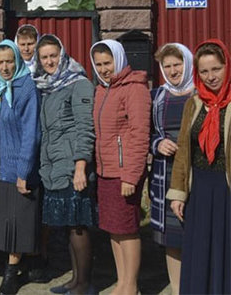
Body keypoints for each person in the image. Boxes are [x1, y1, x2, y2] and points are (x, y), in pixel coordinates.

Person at [33, 35, 96, 295]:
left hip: (73, 168)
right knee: (70, 227)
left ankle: (85, 285)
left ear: (63, 54)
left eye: (53, 55)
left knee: (78, 226)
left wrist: (80, 167)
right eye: (44, 57)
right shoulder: (48, 87)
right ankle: (75, 280)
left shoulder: (78, 84)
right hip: (54, 168)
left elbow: (85, 128)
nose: (49, 61)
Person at [168, 39, 230, 294]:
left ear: (227, 66)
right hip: (200, 190)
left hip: (226, 190)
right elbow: (184, 151)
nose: (210, 77)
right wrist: (178, 193)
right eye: (204, 71)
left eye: (216, 69)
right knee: (201, 250)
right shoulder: (193, 104)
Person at [90, 39, 150, 295]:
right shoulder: (103, 89)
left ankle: (131, 285)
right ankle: (122, 280)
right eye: (99, 64)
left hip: (124, 172)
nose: (104, 69)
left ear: (120, 59)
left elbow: (139, 135)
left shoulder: (134, 89)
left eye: (108, 62)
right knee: (114, 230)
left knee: (127, 230)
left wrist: (131, 176)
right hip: (106, 170)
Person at [0, 39, 41, 295]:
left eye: (10, 60)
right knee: (10, 222)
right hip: (3, 169)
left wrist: (24, 172)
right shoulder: (0, 88)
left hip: (21, 169)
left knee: (19, 222)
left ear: (18, 60)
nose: (6, 66)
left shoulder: (26, 88)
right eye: (0, 62)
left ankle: (10, 275)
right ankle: (28, 265)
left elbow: (31, 133)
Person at [149, 43, 195, 295]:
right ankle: (177, 289)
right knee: (171, 238)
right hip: (164, 173)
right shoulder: (157, 96)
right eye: (167, 66)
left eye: (177, 64)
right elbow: (147, 133)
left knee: (195, 231)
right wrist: (158, 143)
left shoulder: (200, 94)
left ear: (187, 64)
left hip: (196, 174)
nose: (173, 70)